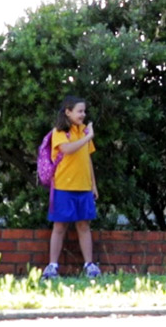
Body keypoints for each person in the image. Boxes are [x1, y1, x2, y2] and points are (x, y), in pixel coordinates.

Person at [42, 96, 100, 279]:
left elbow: (87, 159)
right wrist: (88, 137)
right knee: (59, 226)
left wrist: (93, 185)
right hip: (63, 186)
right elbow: (67, 149)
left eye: (84, 111)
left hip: (83, 186)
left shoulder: (84, 131)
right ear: (68, 112)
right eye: (79, 111)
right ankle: (52, 266)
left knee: (84, 226)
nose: (83, 114)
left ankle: (89, 265)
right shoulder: (60, 131)